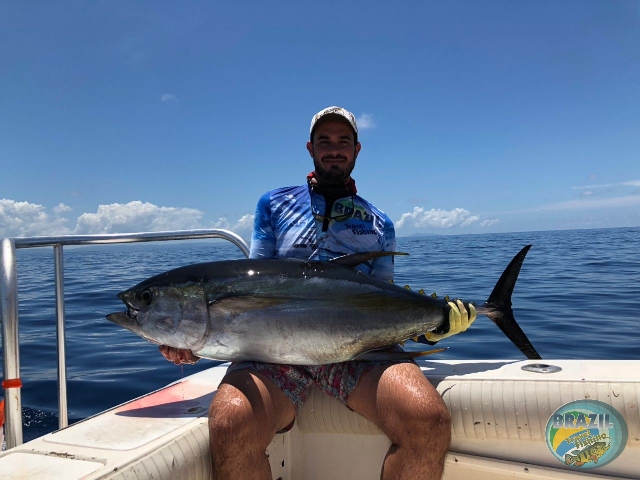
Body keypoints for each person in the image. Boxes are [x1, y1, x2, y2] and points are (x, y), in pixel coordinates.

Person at [160, 106, 476, 479]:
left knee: (428, 420)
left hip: (359, 353)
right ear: (310, 148)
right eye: (324, 141)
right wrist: (189, 339)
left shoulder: (379, 223)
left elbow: (385, 303)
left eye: (343, 141)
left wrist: (431, 325)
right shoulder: (274, 204)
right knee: (230, 422)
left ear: (357, 150)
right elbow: (247, 288)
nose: (334, 149)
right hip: (273, 354)